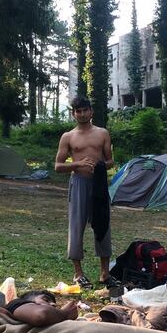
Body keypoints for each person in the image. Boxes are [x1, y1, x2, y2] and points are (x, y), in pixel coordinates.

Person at [54, 96, 117, 289]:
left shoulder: (102, 133)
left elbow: (110, 161)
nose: (81, 114)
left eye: (85, 110)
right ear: (73, 113)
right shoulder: (68, 137)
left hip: (99, 184)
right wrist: (78, 164)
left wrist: (99, 166)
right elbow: (57, 166)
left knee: (102, 224)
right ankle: (78, 273)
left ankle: (105, 273)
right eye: (77, 111)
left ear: (91, 111)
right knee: (77, 226)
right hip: (79, 183)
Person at [0, 290, 79, 327]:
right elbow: (40, 315)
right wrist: (65, 314)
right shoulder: (16, 303)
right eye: (46, 300)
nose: (53, 304)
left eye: (55, 306)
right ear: (27, 300)